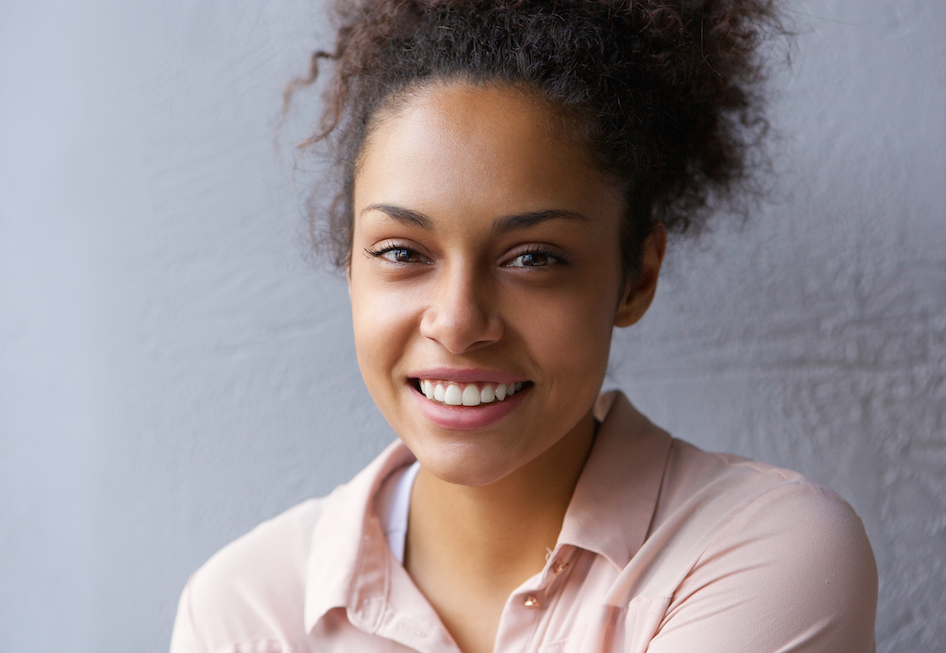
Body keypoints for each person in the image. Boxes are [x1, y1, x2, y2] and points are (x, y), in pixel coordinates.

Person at [169, 1, 878, 652]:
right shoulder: (245, 608)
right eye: (402, 252)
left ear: (637, 275)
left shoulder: (767, 551)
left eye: (533, 257)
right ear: (350, 267)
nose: (458, 322)